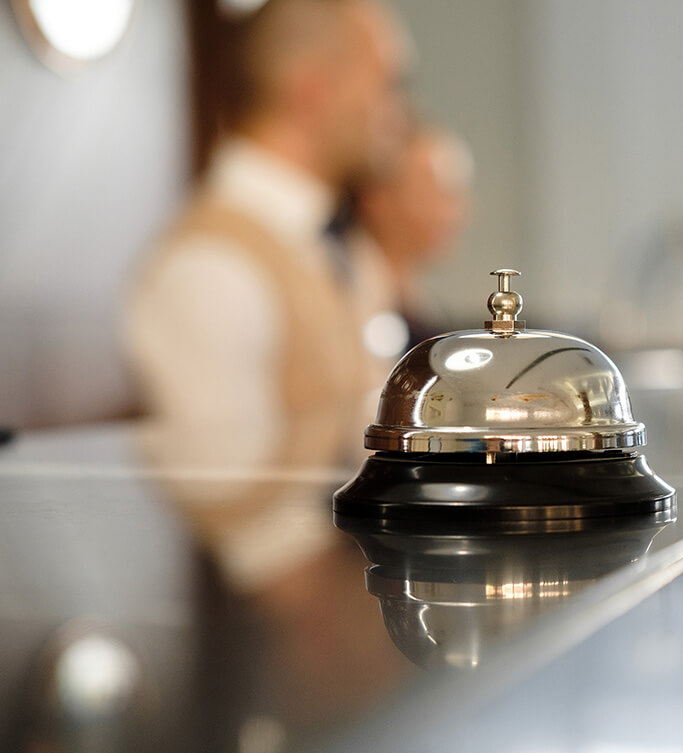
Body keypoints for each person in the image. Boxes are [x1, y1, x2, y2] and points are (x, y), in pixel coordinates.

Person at [124, 0, 409, 592]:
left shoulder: (347, 250)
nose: (396, 112)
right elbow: (225, 504)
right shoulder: (210, 266)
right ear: (312, 90)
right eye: (384, 82)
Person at [351, 124, 474, 348]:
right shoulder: (348, 293)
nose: (452, 212)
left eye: (454, 193)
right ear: (376, 198)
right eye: (431, 190)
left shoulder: (425, 309)